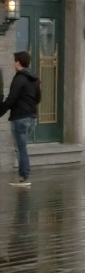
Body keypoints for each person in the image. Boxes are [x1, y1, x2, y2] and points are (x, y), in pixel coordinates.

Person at [0, 52, 40, 187]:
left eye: (14, 61)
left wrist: (1, 111)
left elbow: (11, 99)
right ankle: (24, 175)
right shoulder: (34, 78)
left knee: (20, 148)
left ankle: (24, 176)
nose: (13, 63)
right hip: (32, 118)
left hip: (20, 118)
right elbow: (38, 98)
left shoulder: (19, 78)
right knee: (22, 147)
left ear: (18, 62)